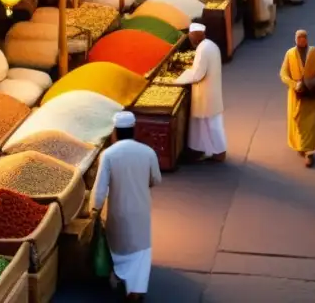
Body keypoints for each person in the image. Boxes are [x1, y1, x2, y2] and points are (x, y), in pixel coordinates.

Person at [91, 112, 162, 301]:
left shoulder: (108, 155)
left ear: (114, 132)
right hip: (141, 211)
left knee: (121, 249)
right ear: (134, 130)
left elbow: (99, 189)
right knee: (141, 251)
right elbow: (156, 179)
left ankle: (122, 278)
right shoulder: (147, 152)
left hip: (118, 212)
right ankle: (136, 290)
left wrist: (94, 209)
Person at [173, 23, 226, 162]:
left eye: (191, 37)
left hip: (206, 93)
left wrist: (177, 80)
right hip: (210, 91)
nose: (190, 40)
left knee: (209, 125)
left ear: (196, 37)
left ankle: (218, 153)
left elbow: (197, 74)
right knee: (209, 124)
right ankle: (210, 151)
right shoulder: (209, 45)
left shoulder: (203, 50)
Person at [279, 29, 315, 167]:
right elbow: (283, 73)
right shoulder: (290, 54)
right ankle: (301, 146)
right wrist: (294, 84)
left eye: (304, 38)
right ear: (295, 40)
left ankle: (309, 153)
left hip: (311, 94)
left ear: (307, 39)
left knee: (310, 123)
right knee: (297, 122)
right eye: (299, 38)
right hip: (295, 95)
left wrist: (314, 84)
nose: (302, 40)